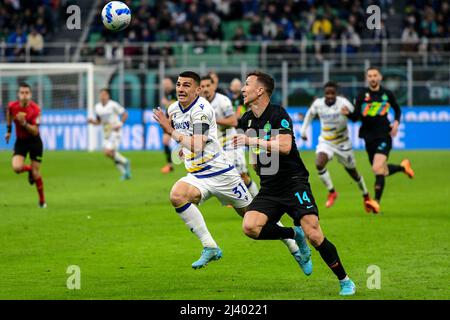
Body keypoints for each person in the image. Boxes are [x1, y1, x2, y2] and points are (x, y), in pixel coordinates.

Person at [153, 71, 311, 273]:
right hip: (197, 175)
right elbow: (186, 135)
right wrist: (182, 146)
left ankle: (293, 241)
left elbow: (199, 145)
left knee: (254, 222)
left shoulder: (202, 109)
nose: (181, 89)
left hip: (221, 174)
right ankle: (210, 246)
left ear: (197, 89)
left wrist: (170, 130)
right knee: (177, 195)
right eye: (178, 84)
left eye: (186, 85)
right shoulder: (173, 109)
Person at [233, 71, 356, 296]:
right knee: (249, 227)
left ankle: (345, 280)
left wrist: (251, 140)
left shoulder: (278, 113)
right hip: (270, 187)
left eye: (247, 84)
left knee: (315, 234)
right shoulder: (246, 119)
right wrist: (255, 163)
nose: (242, 89)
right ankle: (292, 234)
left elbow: (285, 147)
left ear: (260, 90)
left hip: (294, 182)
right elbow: (253, 152)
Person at [344, 67, 415, 213]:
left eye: (375, 75)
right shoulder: (361, 95)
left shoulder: (387, 94)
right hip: (368, 137)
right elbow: (356, 117)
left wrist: (396, 123)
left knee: (377, 168)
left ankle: (375, 202)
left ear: (380, 77)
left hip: (384, 135)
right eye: (369, 76)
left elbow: (397, 109)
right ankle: (403, 167)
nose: (372, 78)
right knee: (382, 171)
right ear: (367, 78)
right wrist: (347, 114)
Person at [300, 81, 371, 211]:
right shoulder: (318, 104)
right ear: (324, 93)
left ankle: (366, 195)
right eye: (328, 93)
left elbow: (356, 117)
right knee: (319, 164)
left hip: (343, 144)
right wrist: (303, 131)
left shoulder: (344, 103)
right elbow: (309, 115)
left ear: (336, 94)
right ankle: (332, 192)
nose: (330, 96)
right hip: (326, 142)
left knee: (353, 173)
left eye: (333, 93)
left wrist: (348, 114)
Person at [200, 75, 258, 197]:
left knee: (241, 175)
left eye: (208, 86)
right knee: (220, 176)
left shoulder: (223, 101)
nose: (205, 89)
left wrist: (214, 120)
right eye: (202, 86)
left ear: (213, 86)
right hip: (215, 146)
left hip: (230, 143)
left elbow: (233, 122)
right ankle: (238, 199)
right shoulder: (199, 104)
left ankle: (257, 199)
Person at [5, 83, 46, 208]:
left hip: (35, 142)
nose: (24, 95)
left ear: (30, 95)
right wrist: (9, 130)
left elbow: (35, 131)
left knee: (36, 174)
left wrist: (24, 124)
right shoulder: (13, 106)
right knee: (17, 168)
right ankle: (29, 170)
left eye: (26, 93)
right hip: (21, 141)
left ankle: (42, 201)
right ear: (18, 94)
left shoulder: (36, 109)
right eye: (22, 93)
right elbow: (9, 114)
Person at [88, 89, 131, 180]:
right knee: (110, 154)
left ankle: (126, 163)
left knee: (108, 152)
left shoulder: (113, 105)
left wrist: (120, 124)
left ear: (108, 96)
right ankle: (125, 172)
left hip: (115, 132)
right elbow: (99, 121)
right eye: (101, 95)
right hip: (106, 132)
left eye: (104, 94)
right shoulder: (97, 107)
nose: (102, 96)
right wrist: (92, 122)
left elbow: (125, 114)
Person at [160, 77, 177, 174]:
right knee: (165, 141)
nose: (165, 86)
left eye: (167, 84)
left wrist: (167, 102)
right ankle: (169, 165)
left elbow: (179, 104)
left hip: (177, 120)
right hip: (169, 121)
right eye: (164, 85)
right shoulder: (167, 94)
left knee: (186, 143)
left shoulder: (175, 92)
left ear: (170, 84)